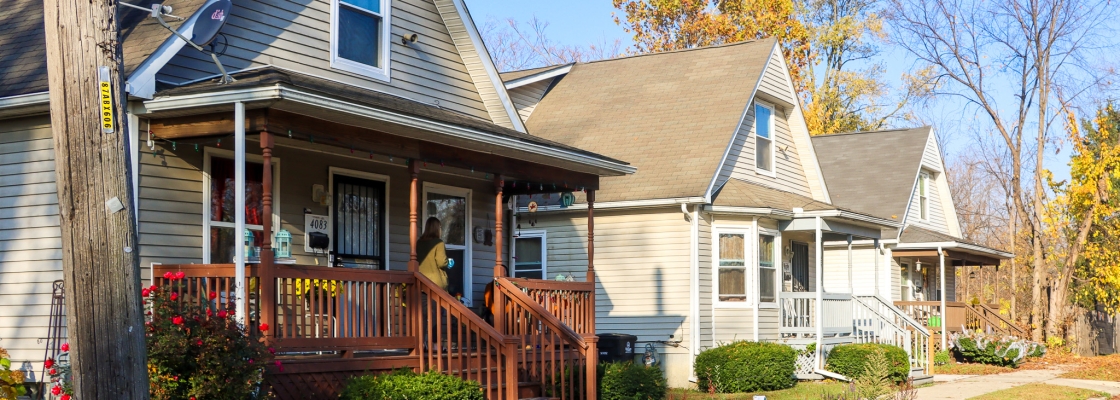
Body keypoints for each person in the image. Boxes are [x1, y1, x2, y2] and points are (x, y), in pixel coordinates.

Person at [417, 217, 451, 291]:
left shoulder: (418, 243)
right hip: (436, 284)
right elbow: (442, 262)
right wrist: (447, 261)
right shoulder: (439, 243)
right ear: (437, 229)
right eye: (440, 227)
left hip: (420, 283)